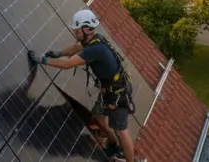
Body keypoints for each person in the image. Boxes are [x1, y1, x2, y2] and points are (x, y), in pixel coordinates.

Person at [28, 9, 136, 162]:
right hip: (108, 92)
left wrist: (44, 60)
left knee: (121, 131)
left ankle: (129, 160)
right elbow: (76, 48)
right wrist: (59, 53)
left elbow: (68, 65)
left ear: (85, 29)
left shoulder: (95, 49)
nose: (75, 32)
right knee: (98, 117)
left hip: (117, 95)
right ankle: (113, 144)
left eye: (77, 30)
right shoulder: (95, 39)